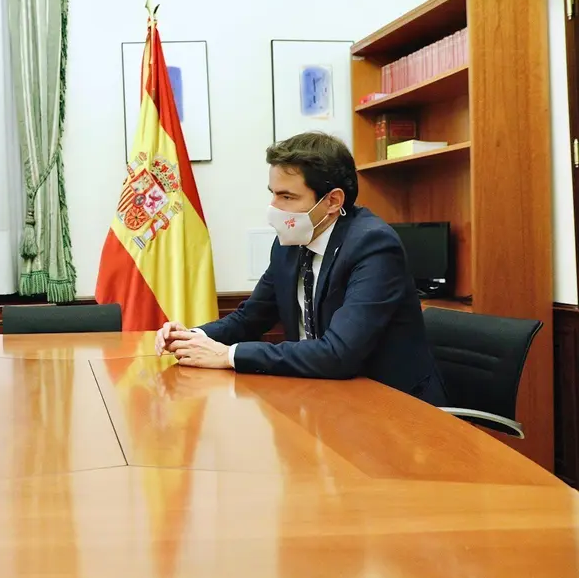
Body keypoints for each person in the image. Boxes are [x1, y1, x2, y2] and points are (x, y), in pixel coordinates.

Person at [155, 132, 447, 406]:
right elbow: (250, 318)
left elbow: (339, 353)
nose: (273, 208)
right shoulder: (290, 242)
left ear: (332, 201)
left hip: (392, 406)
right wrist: (193, 337)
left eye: (287, 197)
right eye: (273, 194)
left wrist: (229, 355)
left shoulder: (374, 245)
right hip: (323, 394)